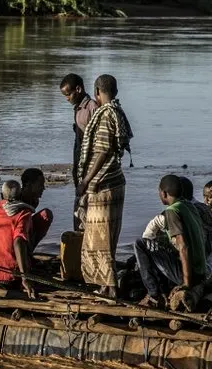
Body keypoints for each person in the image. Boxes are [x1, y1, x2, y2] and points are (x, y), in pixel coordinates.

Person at [75, 74, 133, 298]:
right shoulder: (117, 112)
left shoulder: (106, 115)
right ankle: (108, 285)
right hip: (116, 181)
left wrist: (85, 181)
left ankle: (109, 287)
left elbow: (102, 151)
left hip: (103, 184)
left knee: (98, 240)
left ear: (97, 91)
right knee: (108, 238)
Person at [134, 175, 207, 308]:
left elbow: (183, 247)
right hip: (201, 272)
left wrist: (186, 283)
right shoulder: (189, 205)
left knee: (141, 244)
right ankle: (162, 288)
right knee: (158, 247)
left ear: (164, 193)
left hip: (191, 276)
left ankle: (153, 294)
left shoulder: (172, 212)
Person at [59, 74, 99, 192]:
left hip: (90, 156)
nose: (67, 98)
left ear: (78, 89)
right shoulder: (78, 108)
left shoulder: (92, 107)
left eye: (68, 94)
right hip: (79, 154)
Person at [19, 168, 54, 250]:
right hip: (15, 232)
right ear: (29, 185)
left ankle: (29, 250)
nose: (43, 188)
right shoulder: (17, 198)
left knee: (46, 215)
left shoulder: (34, 201)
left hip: (24, 229)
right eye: (40, 185)